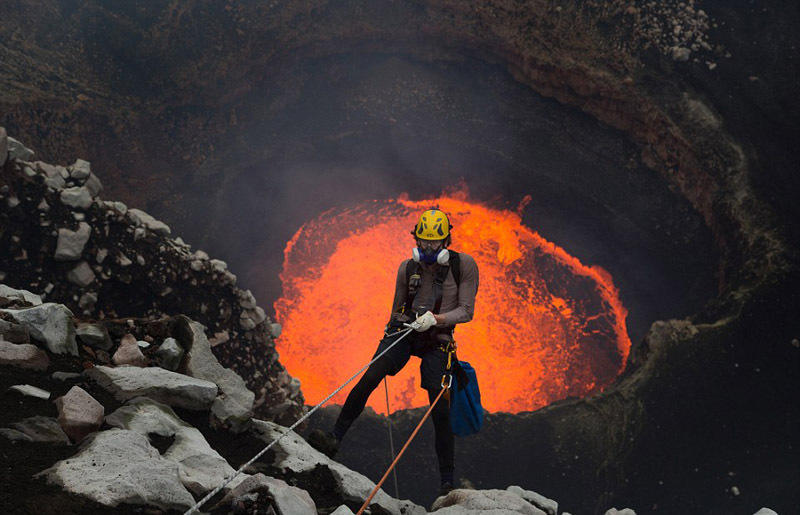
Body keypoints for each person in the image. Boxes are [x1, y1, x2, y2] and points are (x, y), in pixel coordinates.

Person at [308, 208, 479, 496]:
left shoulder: (464, 265)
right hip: (407, 331)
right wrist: (392, 336)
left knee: (439, 408)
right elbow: (396, 309)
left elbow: (467, 311)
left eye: (433, 244)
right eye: (422, 242)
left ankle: (446, 480)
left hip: (438, 338)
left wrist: (436, 320)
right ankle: (334, 437)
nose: (426, 248)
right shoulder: (407, 268)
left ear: (445, 242)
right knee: (371, 374)